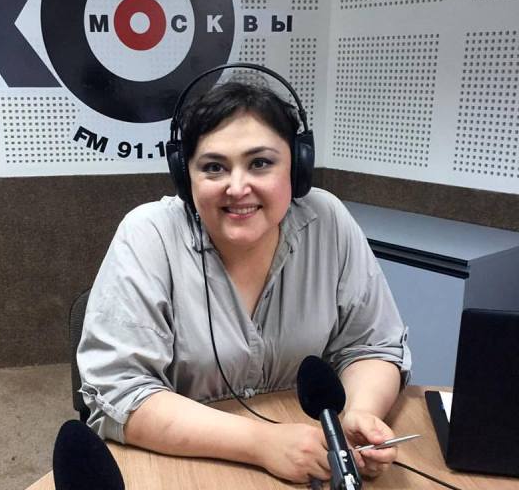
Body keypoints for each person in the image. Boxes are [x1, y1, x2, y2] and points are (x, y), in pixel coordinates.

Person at [77, 80, 411, 484]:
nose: (237, 188)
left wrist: (361, 412)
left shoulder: (327, 221)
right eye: (213, 167)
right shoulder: (149, 234)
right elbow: (119, 392)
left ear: (298, 167)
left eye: (260, 163)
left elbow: (371, 344)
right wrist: (261, 443)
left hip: (307, 459)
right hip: (185, 465)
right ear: (185, 176)